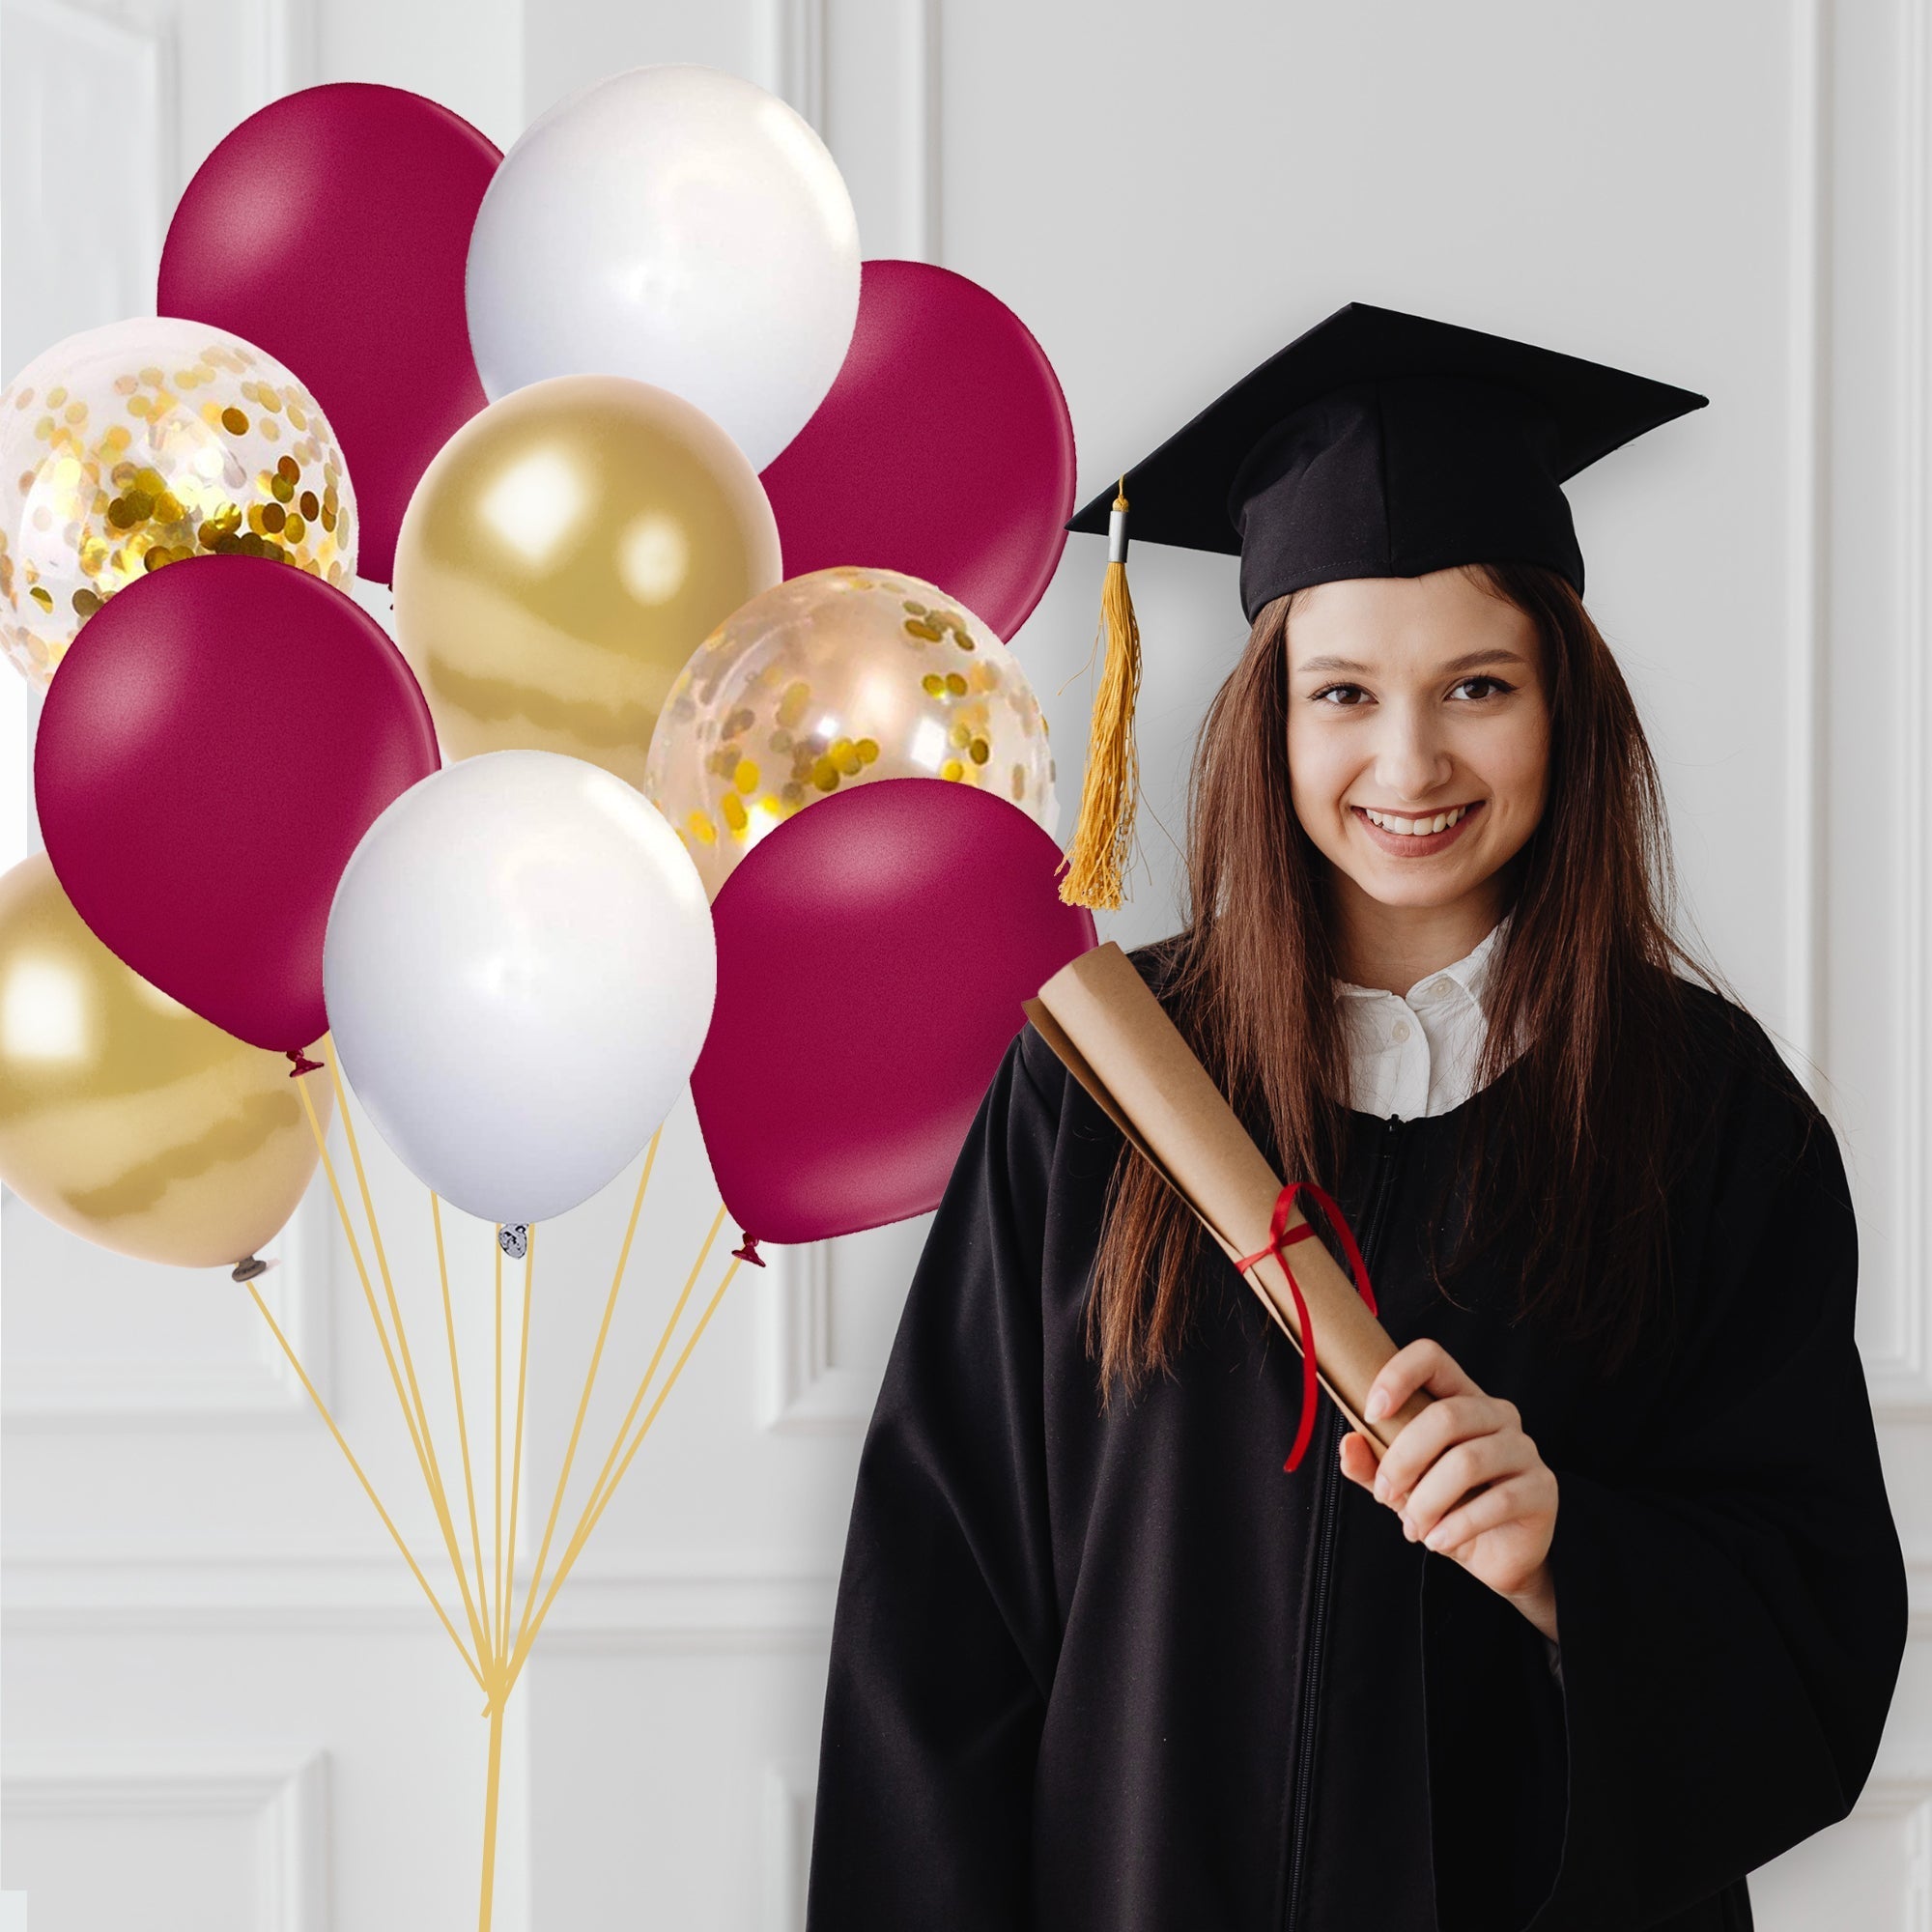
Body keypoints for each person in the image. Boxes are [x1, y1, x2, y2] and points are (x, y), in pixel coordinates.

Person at [802, 302, 1908, 1931]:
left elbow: (1814, 1652)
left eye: (1477, 685)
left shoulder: (1709, 1121)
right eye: (1343, 696)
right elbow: (939, 1638)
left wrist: (1565, 1561)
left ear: (1565, 707)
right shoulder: (1098, 1087)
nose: (1409, 759)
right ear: (1269, 717)